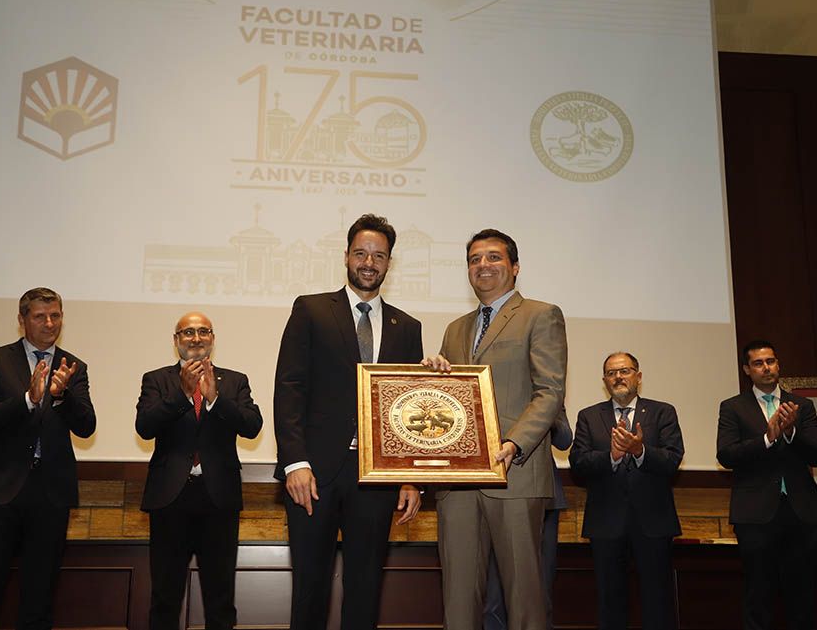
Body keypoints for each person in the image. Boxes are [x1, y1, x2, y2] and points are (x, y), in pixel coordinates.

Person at [274, 213, 423, 630]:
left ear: (389, 263)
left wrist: (410, 477)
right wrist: (295, 463)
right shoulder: (311, 309)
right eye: (361, 253)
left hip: (376, 479)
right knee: (310, 587)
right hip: (313, 476)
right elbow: (289, 387)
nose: (369, 262)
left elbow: (409, 408)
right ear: (346, 256)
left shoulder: (407, 327)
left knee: (365, 589)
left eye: (379, 255)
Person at [423, 228, 567, 630]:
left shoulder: (541, 314)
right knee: (457, 596)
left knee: (524, 596)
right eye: (474, 259)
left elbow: (550, 392)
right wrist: (434, 378)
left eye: (493, 257)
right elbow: (451, 401)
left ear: (515, 267)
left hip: (515, 473)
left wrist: (513, 443)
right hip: (459, 480)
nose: (482, 266)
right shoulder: (455, 328)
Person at [0, 287, 96, 630]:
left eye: (56, 316)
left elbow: (86, 427)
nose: (50, 323)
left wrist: (62, 395)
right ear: (22, 321)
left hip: (50, 494)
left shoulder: (73, 366)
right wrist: (27, 400)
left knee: (40, 596)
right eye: (40, 316)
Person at [135, 312, 263, 630]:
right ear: (176, 340)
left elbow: (252, 426)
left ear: (213, 338)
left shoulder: (234, 381)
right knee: (165, 597)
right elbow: (145, 427)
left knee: (220, 599)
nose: (196, 338)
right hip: (170, 499)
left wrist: (215, 399)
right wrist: (181, 393)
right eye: (188, 332)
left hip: (218, 498)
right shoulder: (157, 379)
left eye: (203, 331)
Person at [716, 340, 817, 630]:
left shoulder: (802, 405)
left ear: (778, 365)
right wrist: (767, 439)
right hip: (755, 515)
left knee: (804, 596)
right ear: (746, 370)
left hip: (801, 512)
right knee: (759, 595)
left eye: (771, 361)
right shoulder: (733, 407)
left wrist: (791, 433)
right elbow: (726, 455)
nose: (766, 368)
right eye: (758, 363)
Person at [570, 352, 684, 630]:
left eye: (625, 371)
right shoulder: (589, 416)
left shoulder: (662, 412)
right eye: (611, 373)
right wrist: (612, 455)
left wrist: (640, 451)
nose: (618, 377)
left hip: (653, 522)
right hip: (606, 523)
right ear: (604, 381)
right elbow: (578, 463)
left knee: (658, 601)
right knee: (610, 602)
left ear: (639, 376)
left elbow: (672, 459)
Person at [483, 409, 572, 630]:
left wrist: (539, 417)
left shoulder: (544, 396)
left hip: (542, 501)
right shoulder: (485, 391)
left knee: (538, 594)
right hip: (490, 496)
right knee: (494, 598)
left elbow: (564, 440)